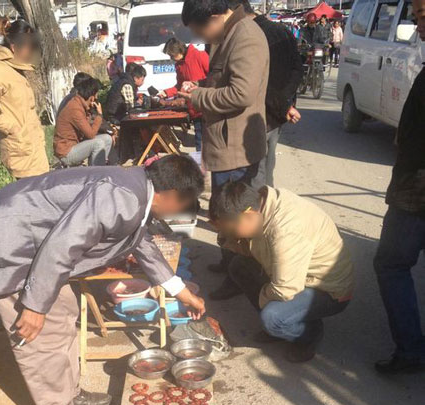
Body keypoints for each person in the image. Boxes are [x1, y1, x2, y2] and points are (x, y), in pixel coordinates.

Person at [0, 156, 206, 405]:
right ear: (172, 196)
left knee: (65, 314)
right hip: (13, 242)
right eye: (183, 206)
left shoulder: (139, 189)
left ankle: (69, 394)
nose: (178, 213)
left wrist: (181, 292)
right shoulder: (121, 197)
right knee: (41, 336)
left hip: (39, 248)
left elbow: (141, 243)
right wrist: (35, 306)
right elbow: (62, 246)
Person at [179, 0, 269, 299]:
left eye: (200, 30)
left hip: (236, 147)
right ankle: (232, 268)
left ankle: (242, 279)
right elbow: (224, 82)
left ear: (216, 17)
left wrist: (199, 95)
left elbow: (241, 93)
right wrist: (201, 85)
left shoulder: (246, 36)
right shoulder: (227, 35)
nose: (201, 38)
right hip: (224, 144)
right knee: (224, 213)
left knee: (233, 216)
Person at [210, 181, 354, 362]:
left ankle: (309, 333)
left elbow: (285, 289)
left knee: (272, 317)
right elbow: (249, 250)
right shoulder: (261, 206)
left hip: (327, 289)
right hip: (296, 275)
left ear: (248, 215)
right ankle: (285, 322)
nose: (232, 233)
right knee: (239, 267)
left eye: (231, 228)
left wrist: (263, 300)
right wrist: (226, 235)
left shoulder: (285, 231)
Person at [373, 0, 425, 373]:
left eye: (424, 14)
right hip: (413, 179)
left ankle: (410, 350)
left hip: (417, 188)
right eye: (417, 15)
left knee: (391, 263)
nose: (418, 23)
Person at [227, 0, 302, 189]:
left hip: (259, 111)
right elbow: (297, 69)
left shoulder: (247, 36)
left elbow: (256, 82)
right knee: (267, 164)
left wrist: (281, 103)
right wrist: (285, 102)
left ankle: (260, 209)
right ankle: (267, 205)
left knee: (255, 170)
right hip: (279, 111)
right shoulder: (282, 31)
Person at [0, 17, 49, 179]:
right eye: (29, 48)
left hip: (33, 148)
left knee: (40, 196)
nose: (31, 52)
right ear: (14, 46)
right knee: (30, 198)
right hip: (20, 149)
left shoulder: (16, 68)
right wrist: (12, 128)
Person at [158, 37, 209, 152]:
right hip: (194, 108)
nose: (171, 59)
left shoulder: (199, 56)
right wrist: (166, 92)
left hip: (207, 104)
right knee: (199, 140)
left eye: (172, 55)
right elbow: (179, 85)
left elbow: (213, 76)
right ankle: (199, 166)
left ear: (179, 51)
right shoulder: (179, 65)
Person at [54, 77, 113, 167]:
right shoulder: (75, 108)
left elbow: (87, 127)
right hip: (66, 152)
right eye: (96, 95)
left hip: (74, 145)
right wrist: (99, 115)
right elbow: (90, 134)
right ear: (92, 97)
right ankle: (96, 175)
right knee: (98, 143)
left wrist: (90, 111)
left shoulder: (80, 105)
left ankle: (99, 167)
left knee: (107, 139)